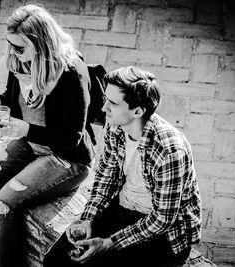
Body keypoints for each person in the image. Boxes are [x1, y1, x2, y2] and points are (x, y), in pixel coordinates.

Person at [0, 4, 96, 267]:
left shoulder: (72, 73)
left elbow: (72, 137)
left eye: (19, 47)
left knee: (3, 207)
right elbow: (13, 99)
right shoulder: (19, 61)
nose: (13, 53)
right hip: (29, 144)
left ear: (40, 43)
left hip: (66, 159)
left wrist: (27, 130)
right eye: (10, 45)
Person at [44, 66, 202, 267]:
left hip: (162, 234)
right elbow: (106, 178)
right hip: (121, 208)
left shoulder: (169, 151)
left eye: (112, 103)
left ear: (137, 111)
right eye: (105, 99)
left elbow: (162, 220)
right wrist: (87, 219)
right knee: (54, 261)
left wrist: (108, 243)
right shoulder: (115, 125)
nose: (103, 109)